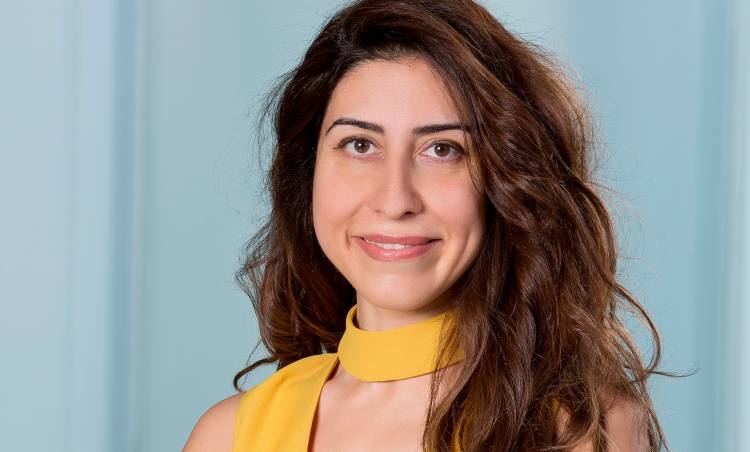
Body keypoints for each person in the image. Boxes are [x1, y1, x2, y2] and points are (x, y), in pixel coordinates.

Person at [183, 0, 670, 450]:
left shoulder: (581, 430)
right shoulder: (228, 435)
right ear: (307, 174)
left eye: (442, 150)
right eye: (359, 145)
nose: (395, 200)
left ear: (505, 181)